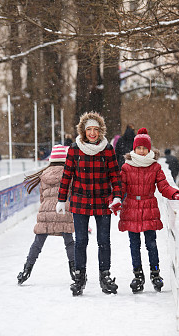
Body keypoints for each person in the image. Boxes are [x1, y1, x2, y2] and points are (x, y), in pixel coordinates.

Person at [56, 111, 122, 296]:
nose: (92, 133)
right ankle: (79, 275)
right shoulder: (74, 149)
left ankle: (105, 275)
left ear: (100, 131)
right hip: (80, 201)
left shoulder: (107, 149)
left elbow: (115, 175)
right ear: (83, 131)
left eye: (95, 129)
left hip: (102, 201)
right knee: (81, 241)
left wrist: (117, 196)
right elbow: (66, 176)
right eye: (89, 130)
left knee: (104, 241)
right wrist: (61, 199)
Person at [118, 128, 179, 293]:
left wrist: (175, 194)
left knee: (151, 244)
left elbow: (163, 186)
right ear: (134, 149)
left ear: (149, 149)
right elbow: (120, 188)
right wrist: (114, 199)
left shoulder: (155, 167)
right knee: (134, 245)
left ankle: (155, 273)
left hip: (149, 208)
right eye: (138, 148)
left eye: (144, 148)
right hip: (131, 208)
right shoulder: (126, 167)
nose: (141, 151)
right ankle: (138, 275)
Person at [17, 145, 75, 285]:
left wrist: (46, 205)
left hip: (46, 210)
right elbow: (72, 193)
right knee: (69, 242)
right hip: (64, 209)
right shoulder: (69, 174)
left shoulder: (44, 174)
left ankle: (27, 269)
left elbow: (42, 196)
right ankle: (75, 270)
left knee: (38, 242)